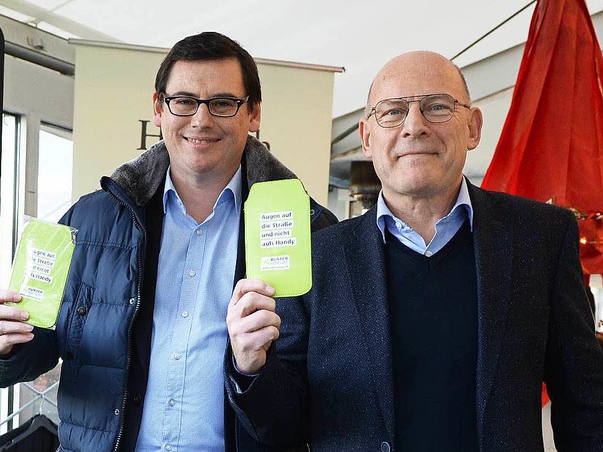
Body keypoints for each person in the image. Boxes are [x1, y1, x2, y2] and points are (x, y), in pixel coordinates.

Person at [0, 31, 336, 451]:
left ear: (253, 113)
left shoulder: (312, 233)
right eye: (183, 101)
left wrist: (253, 372)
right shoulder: (89, 222)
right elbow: (29, 353)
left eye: (222, 103)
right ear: (158, 109)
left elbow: (320, 410)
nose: (201, 120)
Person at [225, 51, 603, 451]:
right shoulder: (319, 257)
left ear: (473, 127)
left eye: (437, 107)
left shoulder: (539, 237)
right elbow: (282, 428)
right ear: (368, 138)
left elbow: (587, 403)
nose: (414, 127)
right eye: (392, 112)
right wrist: (251, 368)